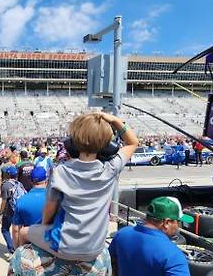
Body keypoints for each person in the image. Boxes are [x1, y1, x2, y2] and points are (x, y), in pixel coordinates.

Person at [25, 112, 139, 261]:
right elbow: (133, 142)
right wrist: (115, 121)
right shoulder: (111, 169)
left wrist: (44, 225)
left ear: (72, 142)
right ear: (106, 145)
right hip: (96, 247)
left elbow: (49, 211)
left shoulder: (60, 172)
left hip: (65, 247)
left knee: (23, 232)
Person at [11, 166, 48, 249]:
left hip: (30, 245)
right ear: (46, 180)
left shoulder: (22, 200)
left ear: (31, 181)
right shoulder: (55, 199)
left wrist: (17, 249)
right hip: (50, 244)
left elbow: (16, 229)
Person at [0, 165, 24, 258]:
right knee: (17, 230)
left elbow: (4, 201)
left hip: (9, 210)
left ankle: (12, 249)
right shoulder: (19, 184)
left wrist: (0, 213)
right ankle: (19, 248)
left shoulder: (5, 185)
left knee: (5, 229)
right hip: (18, 210)